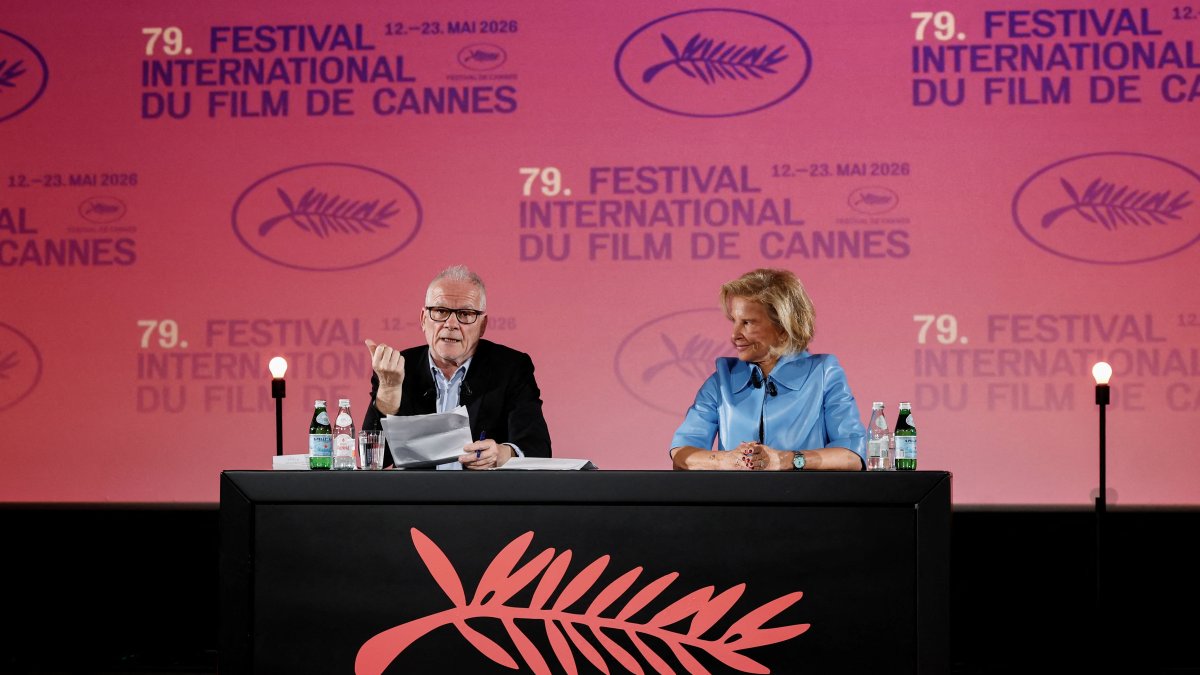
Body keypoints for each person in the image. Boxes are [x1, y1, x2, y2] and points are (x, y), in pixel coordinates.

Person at [670, 268, 866, 471]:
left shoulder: (823, 373)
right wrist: (725, 460)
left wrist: (788, 460)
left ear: (782, 328)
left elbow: (852, 456)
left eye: (747, 323)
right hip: (738, 501)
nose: (734, 335)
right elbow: (682, 454)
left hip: (804, 500)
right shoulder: (722, 380)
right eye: (734, 322)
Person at [362, 265, 551, 468]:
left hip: (481, 496)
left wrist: (504, 453)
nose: (451, 324)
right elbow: (373, 461)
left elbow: (538, 449)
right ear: (423, 319)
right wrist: (389, 392)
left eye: (465, 314)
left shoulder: (511, 368)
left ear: (482, 325)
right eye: (441, 311)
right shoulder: (397, 369)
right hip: (418, 497)